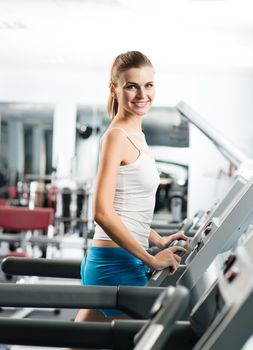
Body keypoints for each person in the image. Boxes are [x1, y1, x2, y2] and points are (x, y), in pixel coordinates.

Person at [74, 51, 189, 325]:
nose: (142, 94)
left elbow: (124, 208)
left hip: (121, 258)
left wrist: (156, 239)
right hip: (115, 264)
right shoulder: (116, 136)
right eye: (131, 86)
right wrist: (151, 259)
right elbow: (102, 212)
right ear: (113, 89)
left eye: (148, 85)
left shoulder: (136, 135)